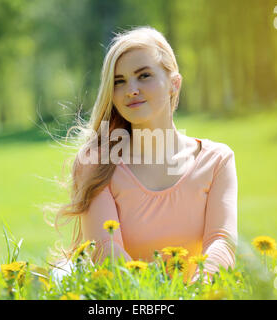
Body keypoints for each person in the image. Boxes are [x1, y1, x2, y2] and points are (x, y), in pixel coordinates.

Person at [51, 26, 237, 286]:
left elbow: (221, 240)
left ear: (174, 84)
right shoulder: (95, 163)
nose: (131, 89)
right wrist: (158, 299)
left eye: (144, 75)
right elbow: (107, 253)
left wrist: (197, 291)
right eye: (119, 81)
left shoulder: (217, 160)